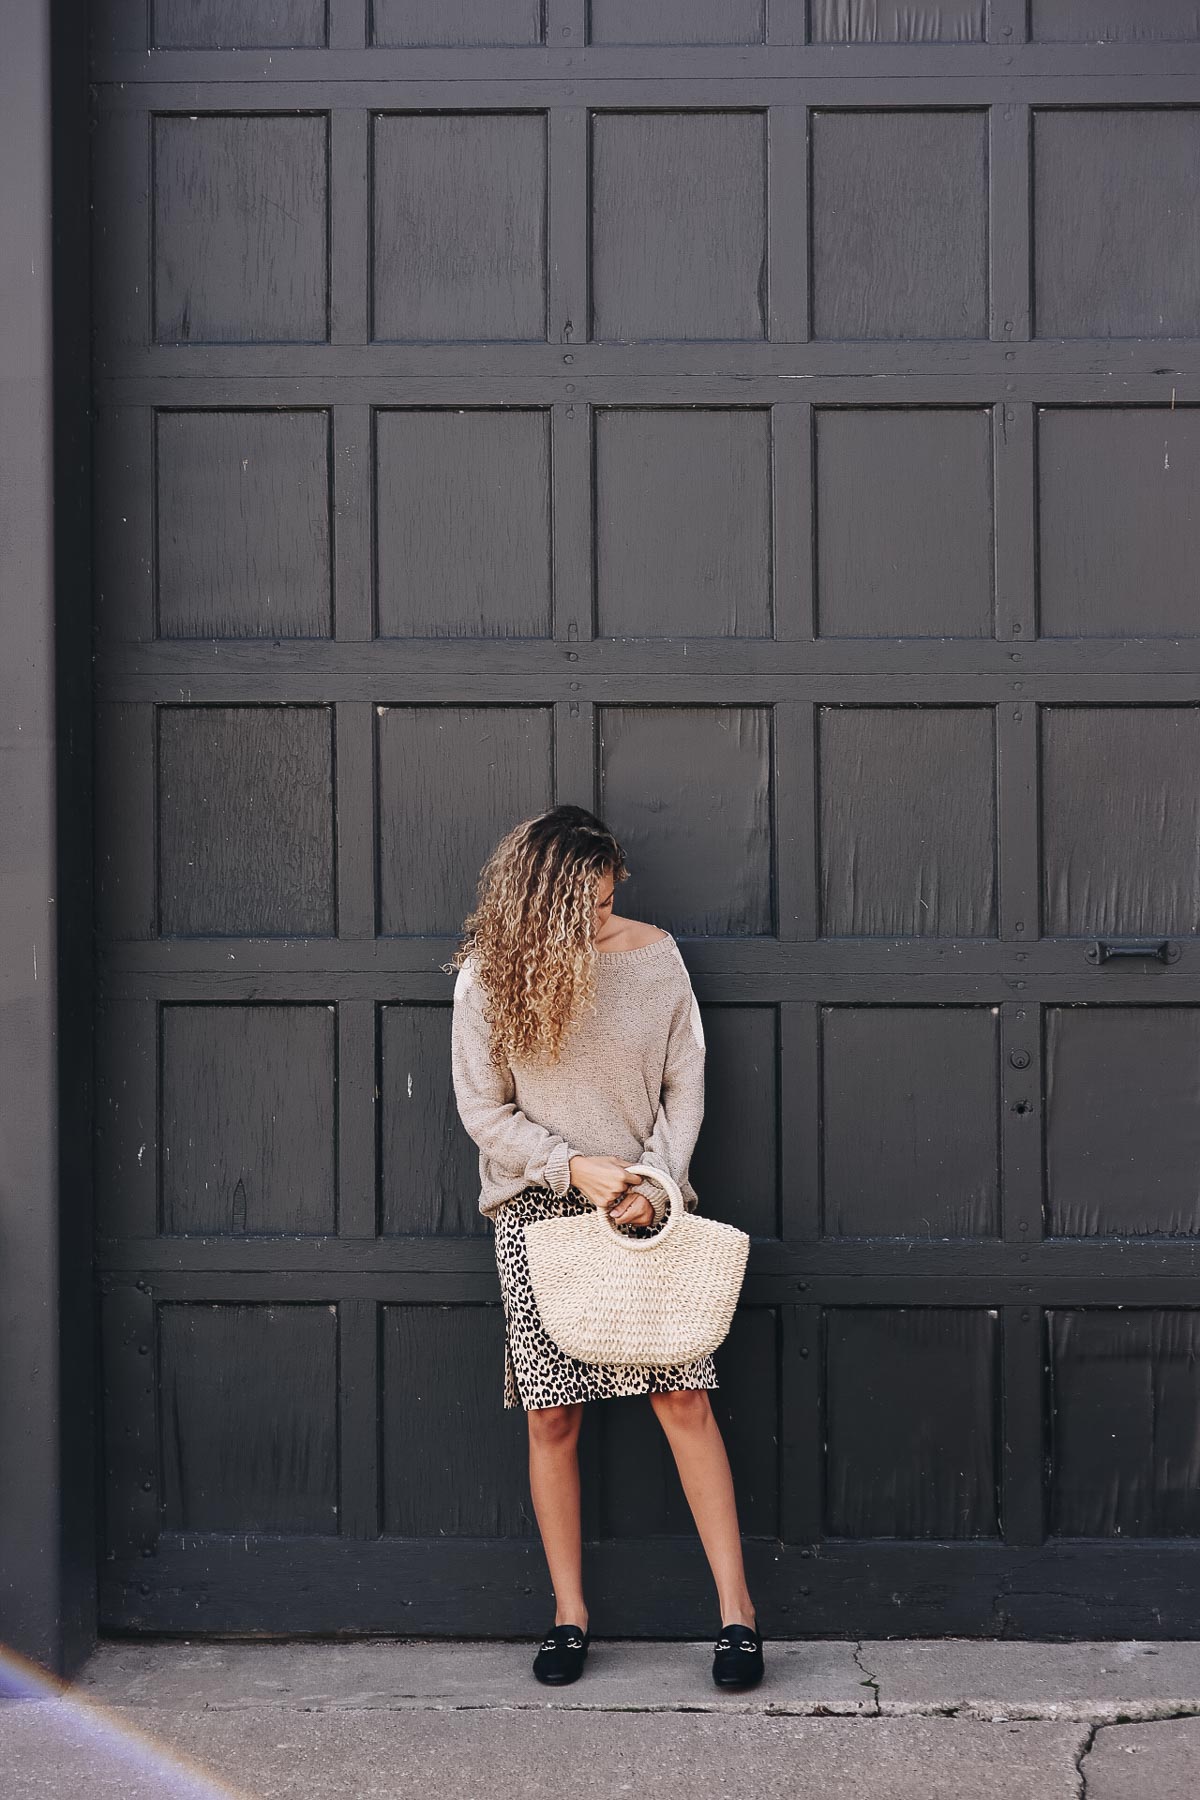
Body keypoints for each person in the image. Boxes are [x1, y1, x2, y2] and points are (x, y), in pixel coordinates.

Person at [446, 804, 763, 1691]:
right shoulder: (488, 975)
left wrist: (654, 1185)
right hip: (540, 1220)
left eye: (609, 895)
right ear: (539, 897)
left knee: (684, 1404)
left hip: (645, 1216)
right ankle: (569, 1615)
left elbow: (683, 1085)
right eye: (585, 902)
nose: (603, 913)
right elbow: (483, 1111)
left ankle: (738, 1616)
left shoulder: (657, 959)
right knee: (553, 1420)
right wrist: (570, 1168)